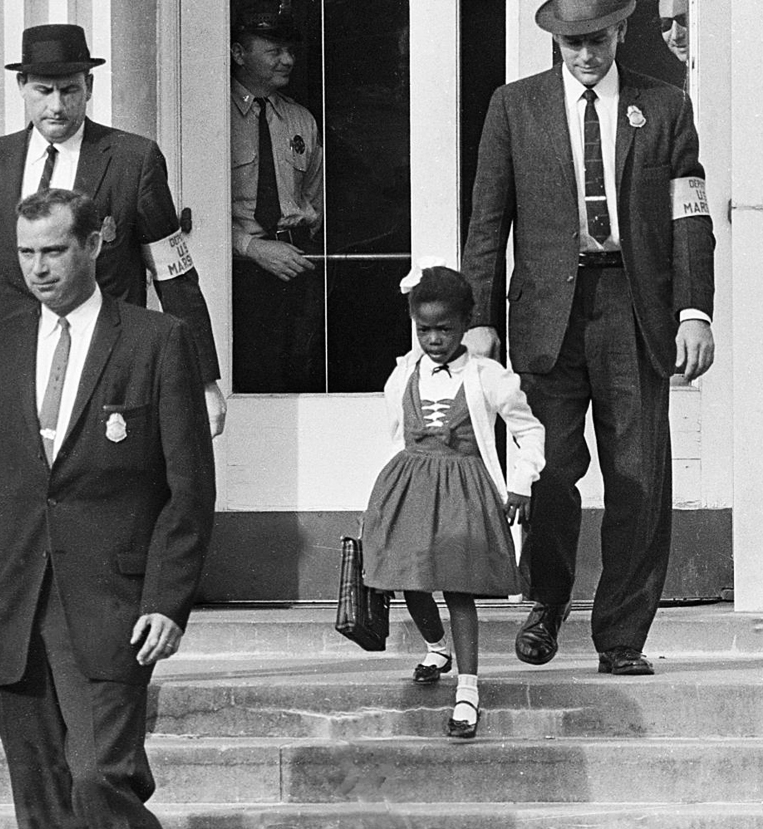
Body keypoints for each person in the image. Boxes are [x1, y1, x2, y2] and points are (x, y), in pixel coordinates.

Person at [0, 188, 216, 829]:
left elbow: (189, 492)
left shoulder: (157, 341)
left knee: (99, 781)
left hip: (114, 608)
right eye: (26, 253)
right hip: (14, 607)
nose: (39, 267)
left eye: (54, 250)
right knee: (42, 805)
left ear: (94, 243)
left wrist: (167, 601)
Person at [461, 0, 715, 675]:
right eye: (570, 43)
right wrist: (478, 321)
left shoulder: (661, 106)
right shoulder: (514, 108)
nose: (583, 55)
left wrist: (694, 311)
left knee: (637, 473)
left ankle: (621, 633)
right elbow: (487, 221)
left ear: (620, 32)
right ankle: (546, 602)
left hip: (633, 308)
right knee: (550, 468)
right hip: (548, 314)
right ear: (554, 40)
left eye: (595, 40)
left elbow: (688, 215)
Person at [0, 23, 226, 436]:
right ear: (22, 86)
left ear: (89, 86)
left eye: (69, 90)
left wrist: (203, 380)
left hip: (106, 373)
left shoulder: (133, 160)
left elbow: (174, 274)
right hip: (9, 370)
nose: (56, 106)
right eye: (43, 90)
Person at [361, 261, 545, 739]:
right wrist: (382, 498)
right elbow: (396, 432)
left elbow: (529, 429)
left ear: (466, 324)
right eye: (425, 330)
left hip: (464, 490)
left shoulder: (488, 377)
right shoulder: (404, 375)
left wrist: (522, 481)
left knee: (459, 588)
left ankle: (468, 690)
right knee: (409, 578)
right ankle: (436, 646)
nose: (435, 339)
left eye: (444, 329)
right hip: (411, 487)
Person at [230, 0, 324, 392]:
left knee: (297, 377)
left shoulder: (300, 119)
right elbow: (193, 210)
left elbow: (313, 198)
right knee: (249, 379)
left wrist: (301, 237)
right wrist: (251, 248)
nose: (287, 60)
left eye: (290, 51)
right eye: (274, 50)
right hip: (238, 272)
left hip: (295, 266)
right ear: (239, 53)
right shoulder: (213, 117)